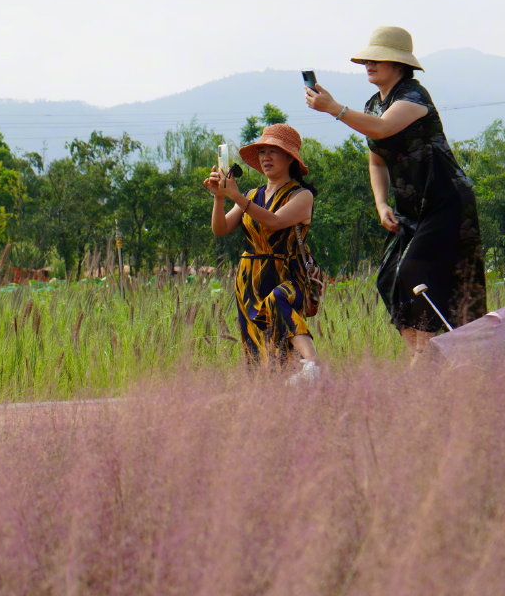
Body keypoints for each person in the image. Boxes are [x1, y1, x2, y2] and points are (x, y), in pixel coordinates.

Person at [303, 26, 487, 356]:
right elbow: (376, 161)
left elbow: (384, 128)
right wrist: (380, 202)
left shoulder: (414, 96)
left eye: (377, 59)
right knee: (389, 278)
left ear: (398, 64)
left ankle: (438, 351)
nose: (369, 65)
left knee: (415, 274)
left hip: (443, 199)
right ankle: (422, 353)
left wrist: (334, 109)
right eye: (367, 60)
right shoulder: (373, 104)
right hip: (408, 206)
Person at [205, 124, 324, 381]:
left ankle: (312, 363)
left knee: (278, 300)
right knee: (259, 348)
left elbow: (274, 221)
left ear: (290, 158)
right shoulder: (252, 195)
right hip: (249, 278)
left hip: (287, 272)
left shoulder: (301, 196)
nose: (266, 158)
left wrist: (237, 197)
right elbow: (221, 228)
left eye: (274, 152)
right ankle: (282, 391)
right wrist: (219, 198)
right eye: (262, 152)